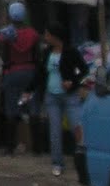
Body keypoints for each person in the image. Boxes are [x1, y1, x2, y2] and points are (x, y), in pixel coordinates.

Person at [31, 25, 89, 177]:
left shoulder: (71, 52)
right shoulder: (46, 53)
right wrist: (29, 90)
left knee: (76, 126)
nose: (45, 37)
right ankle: (57, 162)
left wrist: (73, 82)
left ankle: (82, 159)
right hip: (52, 96)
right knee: (55, 130)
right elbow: (40, 74)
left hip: (69, 95)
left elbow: (84, 71)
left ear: (56, 36)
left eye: (47, 34)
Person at [0, 2, 40, 155]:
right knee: (33, 108)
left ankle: (10, 147)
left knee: (11, 109)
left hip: (12, 72)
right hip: (30, 72)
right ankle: (37, 147)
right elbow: (37, 56)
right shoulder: (33, 34)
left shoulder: (6, 34)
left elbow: (4, 56)